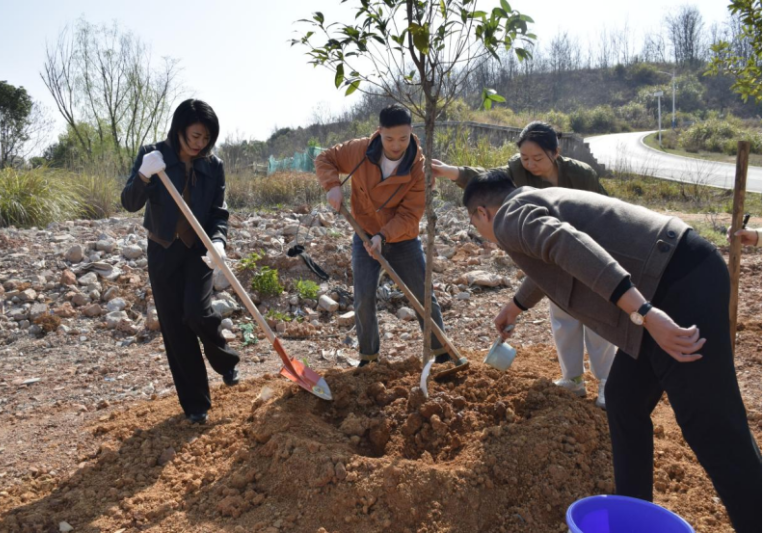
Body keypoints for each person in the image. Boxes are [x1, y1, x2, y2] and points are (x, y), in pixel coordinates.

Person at [462, 170, 761, 533]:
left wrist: (645, 313)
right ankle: (633, 520)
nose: (486, 238)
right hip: (670, 273)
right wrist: (516, 305)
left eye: (478, 229)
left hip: (675, 282)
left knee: (712, 424)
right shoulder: (529, 201)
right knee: (624, 399)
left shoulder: (509, 216)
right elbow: (550, 259)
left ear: (482, 213)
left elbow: (566, 244)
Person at [432, 122, 615, 408]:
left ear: (556, 152)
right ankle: (573, 379)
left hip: (588, 249)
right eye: (525, 158)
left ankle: (607, 383)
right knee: (563, 317)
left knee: (596, 321)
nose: (530, 165)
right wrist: (450, 172)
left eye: (537, 158)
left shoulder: (581, 175)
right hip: (551, 253)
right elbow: (488, 183)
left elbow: (605, 211)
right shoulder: (518, 171)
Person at [121, 99, 240, 424]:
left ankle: (226, 361)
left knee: (197, 311)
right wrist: (144, 175)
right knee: (175, 326)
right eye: (195, 136)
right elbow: (129, 202)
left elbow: (218, 211)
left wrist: (218, 241)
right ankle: (195, 403)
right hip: (162, 249)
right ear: (180, 129)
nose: (200, 143)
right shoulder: (153, 155)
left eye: (206, 138)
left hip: (198, 249)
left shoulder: (213, 166)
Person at [315, 104, 450, 366]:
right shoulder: (360, 150)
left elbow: (410, 215)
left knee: (423, 297)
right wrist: (332, 186)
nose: (396, 145)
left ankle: (442, 353)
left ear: (411, 132)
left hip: (403, 239)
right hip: (364, 234)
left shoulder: (419, 169)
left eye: (402, 138)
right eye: (389, 139)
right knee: (364, 298)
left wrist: (384, 236)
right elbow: (325, 159)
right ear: (379, 133)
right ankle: (369, 359)